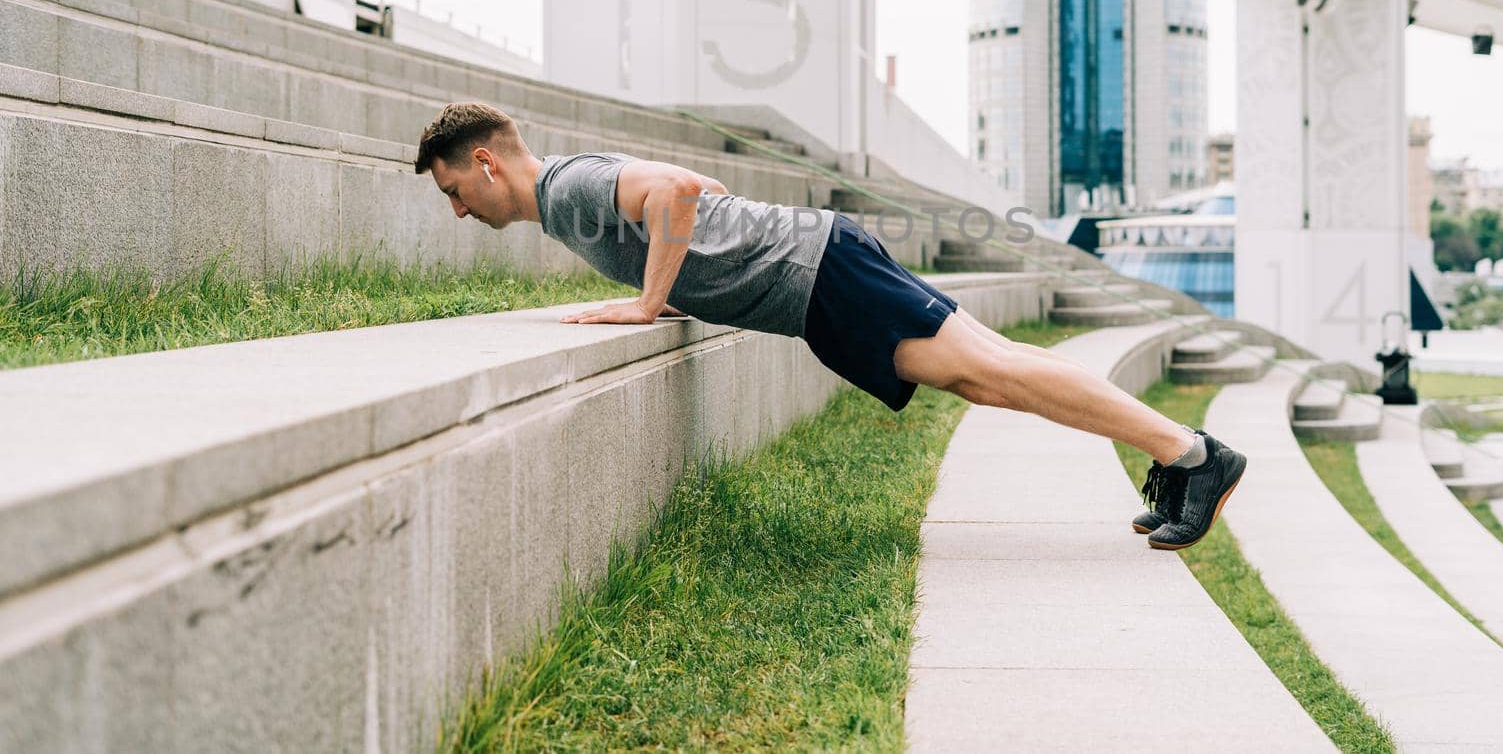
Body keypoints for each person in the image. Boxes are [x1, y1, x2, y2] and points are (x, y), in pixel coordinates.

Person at [414, 102, 1244, 549]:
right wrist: (673, 278)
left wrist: (645, 299)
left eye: (454, 189)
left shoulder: (561, 190)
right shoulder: (569, 189)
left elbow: (676, 191)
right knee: (995, 365)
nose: (457, 210)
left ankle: (1191, 456)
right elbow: (692, 189)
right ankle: (1181, 452)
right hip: (821, 265)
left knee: (992, 376)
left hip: (817, 278)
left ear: (485, 161)